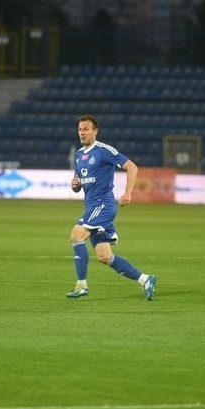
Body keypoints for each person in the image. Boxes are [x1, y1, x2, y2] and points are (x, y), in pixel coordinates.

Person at [67, 114, 156, 300]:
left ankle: (81, 285)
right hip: (91, 206)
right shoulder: (78, 155)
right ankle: (145, 279)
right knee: (104, 256)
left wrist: (128, 192)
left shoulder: (103, 150)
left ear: (95, 131)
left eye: (86, 129)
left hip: (103, 205)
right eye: (80, 129)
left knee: (76, 235)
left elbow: (132, 167)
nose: (82, 133)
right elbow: (78, 186)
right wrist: (75, 185)